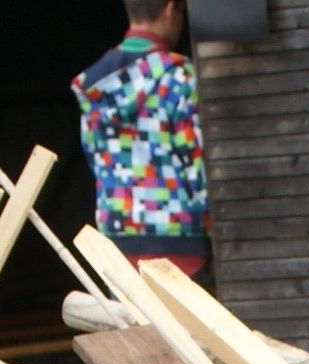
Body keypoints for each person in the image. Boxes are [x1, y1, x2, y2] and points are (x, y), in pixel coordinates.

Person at [73, 1, 210, 281]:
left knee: (132, 326)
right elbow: (197, 164)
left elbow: (94, 158)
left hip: (118, 244)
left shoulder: (93, 85)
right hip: (179, 243)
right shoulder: (178, 78)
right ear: (171, 9)